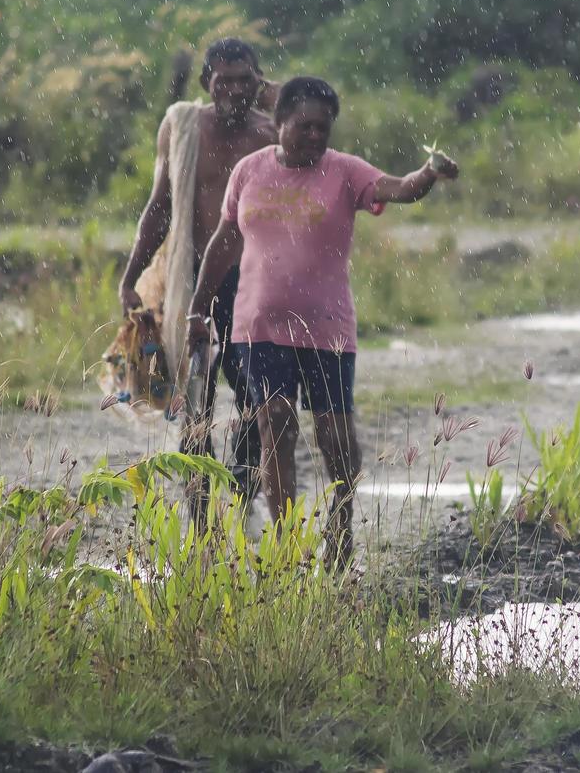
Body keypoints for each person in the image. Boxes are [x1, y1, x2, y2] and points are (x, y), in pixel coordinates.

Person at [186, 77, 458, 567]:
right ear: (280, 124)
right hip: (259, 328)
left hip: (327, 330)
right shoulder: (249, 172)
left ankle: (341, 516)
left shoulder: (345, 172)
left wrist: (429, 173)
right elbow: (224, 242)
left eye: (323, 128)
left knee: (334, 433)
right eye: (304, 126)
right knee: (275, 425)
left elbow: (400, 190)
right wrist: (198, 307)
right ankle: (287, 539)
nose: (314, 136)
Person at [118, 38, 278, 505]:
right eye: (222, 80)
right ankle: (200, 513)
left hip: (253, 284)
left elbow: (316, 127)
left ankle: (245, 490)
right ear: (206, 83)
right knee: (195, 397)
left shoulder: (272, 133)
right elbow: (160, 207)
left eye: (244, 79)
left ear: (258, 81)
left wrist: (271, 95)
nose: (232, 89)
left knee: (257, 395)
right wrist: (130, 279)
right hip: (193, 283)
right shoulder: (183, 126)